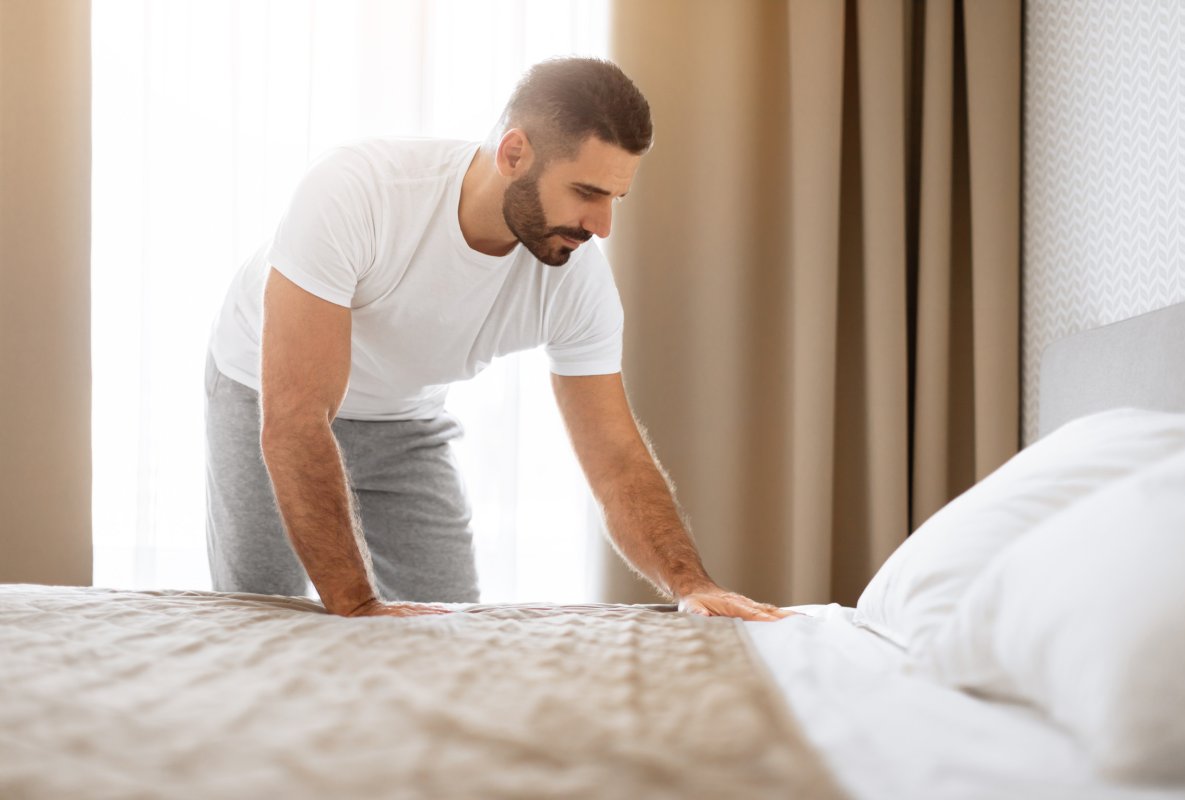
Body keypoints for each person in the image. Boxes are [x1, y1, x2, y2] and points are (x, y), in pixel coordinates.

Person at [205, 57, 787, 622]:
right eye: (587, 192)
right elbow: (296, 415)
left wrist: (691, 583)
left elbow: (616, 459)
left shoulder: (575, 280)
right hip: (264, 392)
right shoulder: (359, 191)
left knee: (445, 624)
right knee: (263, 617)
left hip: (405, 421)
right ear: (514, 154)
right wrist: (357, 604)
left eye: (615, 199)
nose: (602, 225)